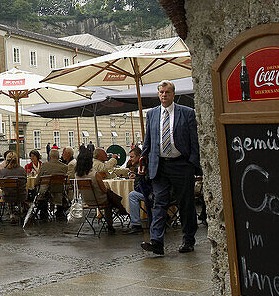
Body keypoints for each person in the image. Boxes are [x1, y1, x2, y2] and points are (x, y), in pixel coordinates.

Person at [140, 80, 201, 255]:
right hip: (159, 165)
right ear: (158, 94)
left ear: (173, 94)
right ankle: (156, 241)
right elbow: (148, 141)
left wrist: (192, 164)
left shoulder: (187, 113)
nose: (164, 95)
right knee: (159, 202)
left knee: (186, 204)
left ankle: (188, 239)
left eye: (167, 92)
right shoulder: (152, 114)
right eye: (161, 92)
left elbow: (194, 142)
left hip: (181, 164)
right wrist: (143, 160)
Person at [74, 148, 126, 233]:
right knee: (109, 198)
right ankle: (115, 216)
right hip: (99, 200)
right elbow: (104, 190)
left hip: (87, 200)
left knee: (111, 197)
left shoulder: (77, 175)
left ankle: (119, 207)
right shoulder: (95, 174)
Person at [33, 148, 70, 220]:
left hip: (46, 192)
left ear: (49, 157)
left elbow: (37, 181)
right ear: (58, 157)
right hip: (60, 191)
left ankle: (43, 212)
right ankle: (59, 211)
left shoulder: (44, 165)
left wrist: (35, 184)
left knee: (42, 190)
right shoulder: (65, 167)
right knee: (57, 191)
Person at [124, 146, 151, 235]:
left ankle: (136, 225)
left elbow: (142, 186)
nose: (130, 159)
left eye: (132, 157)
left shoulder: (143, 167)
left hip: (151, 194)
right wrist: (135, 174)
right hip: (150, 192)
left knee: (132, 195)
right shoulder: (140, 166)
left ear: (139, 156)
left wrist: (137, 176)